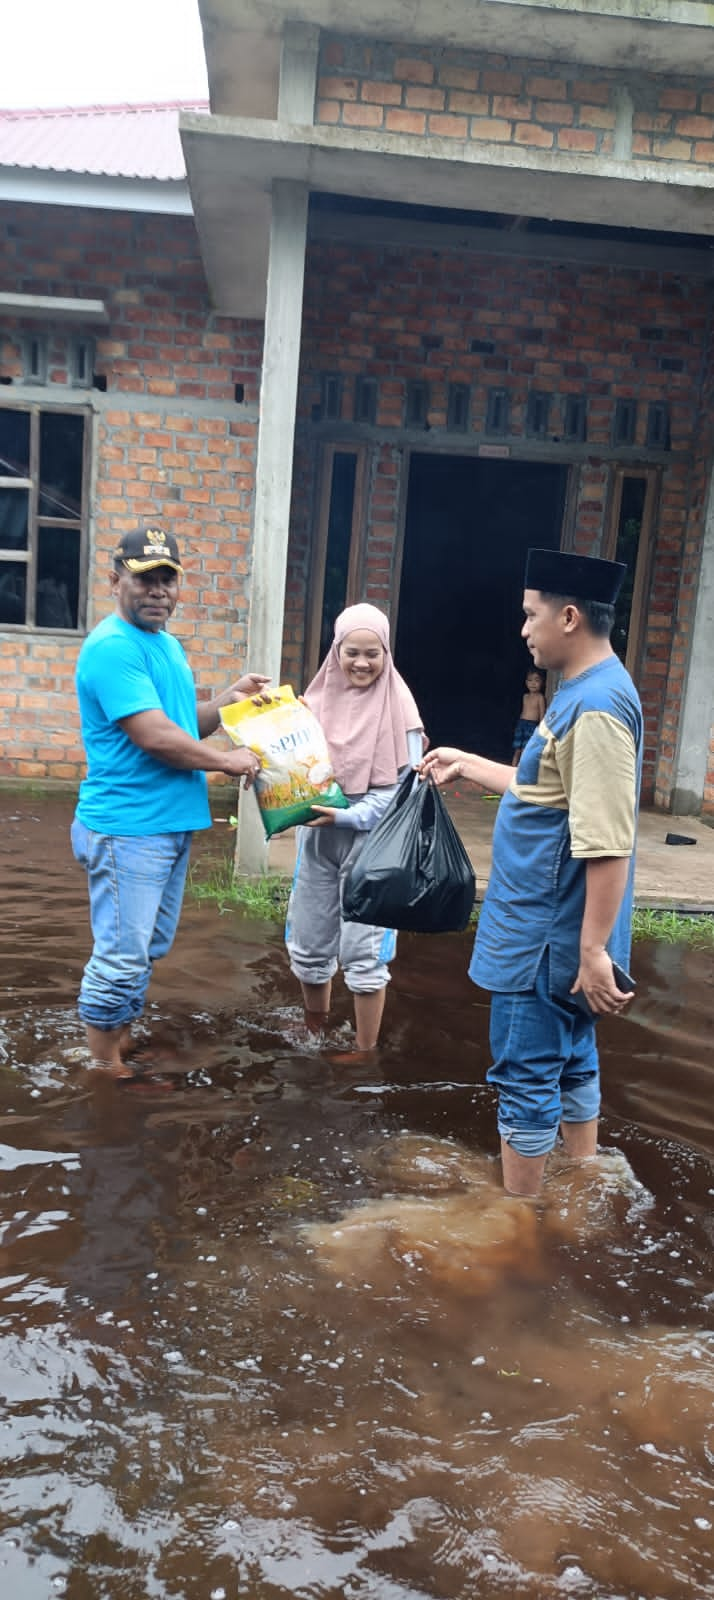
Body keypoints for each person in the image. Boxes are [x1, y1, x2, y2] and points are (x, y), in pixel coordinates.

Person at [421, 548, 642, 1198]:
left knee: (526, 1075)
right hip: (563, 940)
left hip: (547, 941)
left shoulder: (595, 708)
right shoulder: (587, 691)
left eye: (530, 615)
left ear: (569, 616)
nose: (523, 629)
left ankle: (519, 1231)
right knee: (572, 1063)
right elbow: (545, 788)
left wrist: (592, 949)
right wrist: (467, 762)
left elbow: (607, 842)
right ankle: (581, 1190)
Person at [71, 525, 269, 1080]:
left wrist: (227, 702)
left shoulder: (164, 647)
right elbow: (155, 736)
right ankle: (104, 1068)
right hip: (128, 827)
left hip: (165, 823)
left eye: (167, 579)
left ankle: (120, 1041)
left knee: (145, 948)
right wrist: (228, 761)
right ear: (116, 582)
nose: (158, 591)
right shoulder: (113, 648)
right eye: (144, 579)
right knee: (120, 954)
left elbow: (183, 724)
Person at [285, 602, 425, 1058]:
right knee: (309, 939)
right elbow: (289, 767)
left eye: (373, 653)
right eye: (352, 653)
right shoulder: (314, 703)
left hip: (374, 845)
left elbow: (400, 793)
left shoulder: (401, 709)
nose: (362, 663)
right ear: (336, 651)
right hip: (318, 839)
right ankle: (314, 1028)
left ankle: (364, 1053)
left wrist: (344, 815)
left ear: (386, 654)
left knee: (365, 950)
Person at [512, 666, 546, 765]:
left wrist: (541, 728)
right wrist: (518, 725)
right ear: (526, 682)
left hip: (532, 726)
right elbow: (523, 711)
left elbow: (542, 714)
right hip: (521, 724)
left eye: (536, 680)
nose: (533, 683)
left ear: (542, 683)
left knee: (525, 750)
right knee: (517, 750)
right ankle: (512, 769)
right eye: (530, 680)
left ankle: (520, 771)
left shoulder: (540, 698)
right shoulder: (525, 696)